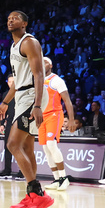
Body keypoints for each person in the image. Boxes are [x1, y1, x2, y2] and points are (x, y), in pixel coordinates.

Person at [0, 12, 54, 208]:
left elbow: (39, 75)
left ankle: (37, 192)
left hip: (32, 97)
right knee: (27, 146)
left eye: (15, 18)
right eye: (9, 17)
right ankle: (31, 196)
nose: (10, 19)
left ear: (25, 23)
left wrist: (37, 105)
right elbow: (19, 81)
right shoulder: (14, 46)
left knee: (13, 144)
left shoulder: (29, 42)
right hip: (22, 95)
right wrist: (5, 102)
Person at [40, 57, 77, 191]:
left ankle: (64, 178)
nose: (41, 64)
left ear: (51, 65)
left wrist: (71, 119)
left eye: (44, 62)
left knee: (51, 144)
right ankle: (56, 179)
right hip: (42, 116)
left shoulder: (57, 80)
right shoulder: (38, 80)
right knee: (45, 148)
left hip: (54, 115)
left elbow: (67, 101)